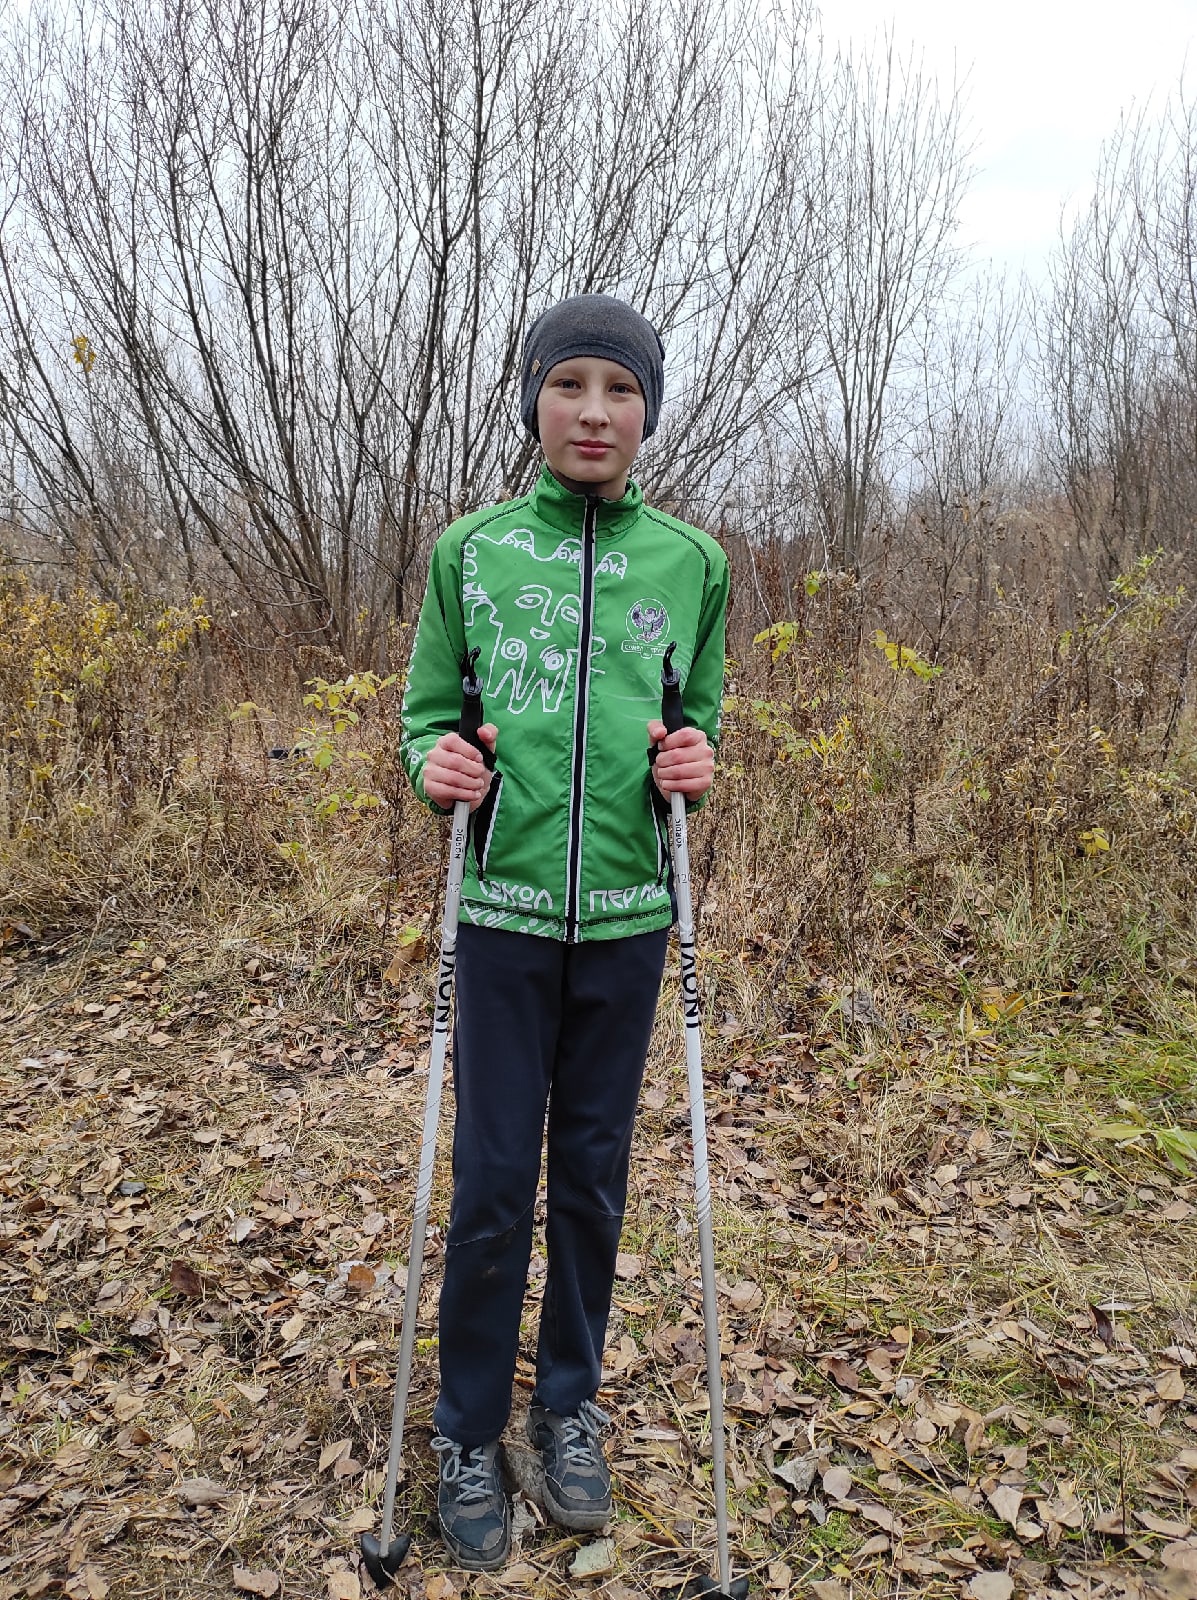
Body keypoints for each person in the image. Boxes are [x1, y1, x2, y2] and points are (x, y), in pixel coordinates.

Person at [399, 294, 729, 1571]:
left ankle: (567, 1408)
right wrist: (436, 767)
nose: (595, 412)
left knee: (592, 1178)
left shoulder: (692, 564)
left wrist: (695, 760)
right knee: (493, 1183)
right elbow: (428, 718)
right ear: (534, 398)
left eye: (621, 389)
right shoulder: (471, 553)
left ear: (648, 410)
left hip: (631, 920)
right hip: (501, 918)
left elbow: (696, 721)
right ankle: (466, 1429)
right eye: (570, 384)